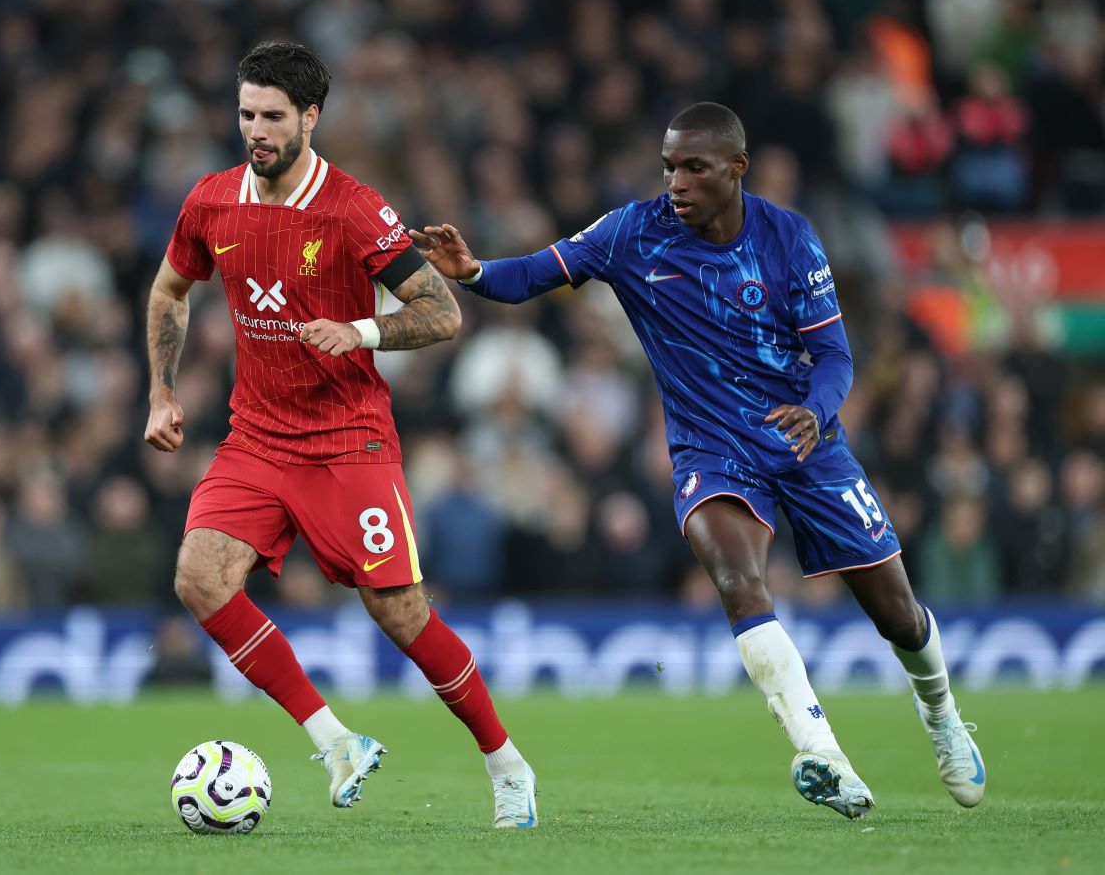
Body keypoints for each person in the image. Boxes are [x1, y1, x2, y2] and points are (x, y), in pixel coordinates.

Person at [411, 102, 984, 820]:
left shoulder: (788, 238)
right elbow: (535, 273)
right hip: (711, 449)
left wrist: (818, 409)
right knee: (739, 582)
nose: (676, 182)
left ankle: (943, 718)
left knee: (898, 615)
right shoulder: (632, 232)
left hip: (804, 441)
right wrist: (472, 271)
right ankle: (823, 755)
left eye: (694, 167)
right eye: (669, 166)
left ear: (736, 169)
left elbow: (835, 353)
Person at [143, 41, 536, 829]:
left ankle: (508, 765)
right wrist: (161, 391)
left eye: (273, 116)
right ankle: (335, 742)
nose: (256, 130)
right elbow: (170, 291)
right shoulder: (212, 201)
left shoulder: (354, 209)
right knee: (200, 577)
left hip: (348, 440)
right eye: (247, 113)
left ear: (310, 118)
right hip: (256, 438)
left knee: (400, 614)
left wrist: (358, 331)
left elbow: (441, 313)